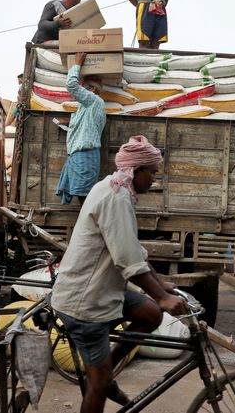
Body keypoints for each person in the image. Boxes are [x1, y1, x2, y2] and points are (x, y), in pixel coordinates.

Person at [51, 135, 189, 413]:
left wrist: (160, 283)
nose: (154, 179)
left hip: (100, 289)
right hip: (84, 302)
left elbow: (131, 249)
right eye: (152, 172)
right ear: (136, 170)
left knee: (150, 315)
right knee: (98, 384)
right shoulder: (116, 196)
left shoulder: (117, 190)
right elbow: (127, 260)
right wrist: (161, 296)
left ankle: (107, 370)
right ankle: (102, 379)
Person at [55, 53, 105, 205]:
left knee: (84, 197)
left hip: (85, 155)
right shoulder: (88, 106)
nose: (81, 91)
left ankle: (92, 223)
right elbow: (86, 125)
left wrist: (77, 64)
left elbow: (71, 85)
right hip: (79, 156)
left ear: (93, 90)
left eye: (84, 87)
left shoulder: (94, 100)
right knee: (82, 196)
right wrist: (69, 122)